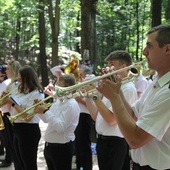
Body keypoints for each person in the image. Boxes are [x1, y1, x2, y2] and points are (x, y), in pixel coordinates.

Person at [97, 25, 170, 170]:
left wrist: (114, 98)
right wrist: (117, 92)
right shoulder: (156, 82)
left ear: (168, 49)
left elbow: (135, 140)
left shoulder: (167, 91)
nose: (144, 52)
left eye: (150, 46)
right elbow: (132, 115)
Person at [85, 50, 137, 170]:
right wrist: (88, 95)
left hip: (114, 143)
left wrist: (95, 96)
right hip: (103, 141)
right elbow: (96, 116)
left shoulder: (128, 88)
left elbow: (111, 120)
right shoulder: (112, 87)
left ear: (123, 67)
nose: (107, 69)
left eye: (111, 64)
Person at [2, 65, 44, 170]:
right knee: (19, 163)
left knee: (28, 164)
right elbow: (12, 110)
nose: (18, 81)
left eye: (21, 79)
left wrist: (12, 103)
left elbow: (27, 116)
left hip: (28, 130)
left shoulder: (37, 93)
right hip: (17, 128)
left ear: (28, 78)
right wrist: (6, 99)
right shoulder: (20, 90)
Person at [34, 74, 80, 170]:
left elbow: (60, 127)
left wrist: (46, 111)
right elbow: (47, 120)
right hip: (50, 146)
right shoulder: (59, 101)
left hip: (61, 148)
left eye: (60, 86)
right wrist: (39, 110)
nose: (57, 88)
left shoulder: (71, 105)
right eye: (57, 86)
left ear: (69, 88)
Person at [0, 60, 21, 168]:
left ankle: (10, 160)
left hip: (10, 114)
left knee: (11, 141)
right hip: (7, 113)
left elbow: (14, 101)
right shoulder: (10, 82)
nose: (5, 71)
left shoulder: (14, 84)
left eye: (8, 68)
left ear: (13, 69)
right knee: (9, 141)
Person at [74, 65, 95, 170]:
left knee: (84, 144)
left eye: (81, 74)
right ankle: (79, 166)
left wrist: (79, 100)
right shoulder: (80, 83)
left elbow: (92, 103)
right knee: (77, 144)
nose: (79, 76)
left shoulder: (91, 82)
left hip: (85, 115)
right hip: (78, 115)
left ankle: (86, 167)